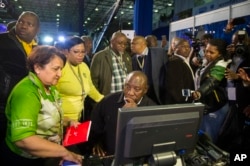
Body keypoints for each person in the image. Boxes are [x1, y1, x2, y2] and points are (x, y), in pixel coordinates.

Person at [0, 46, 82, 166]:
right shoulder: (28, 93)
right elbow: (24, 140)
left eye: (61, 69)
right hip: (23, 159)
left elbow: (44, 116)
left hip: (42, 157)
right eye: (55, 69)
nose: (60, 74)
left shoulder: (50, 88)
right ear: (38, 67)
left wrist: (68, 122)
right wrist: (64, 152)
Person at [90, 71, 156, 166]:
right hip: (109, 156)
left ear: (145, 90)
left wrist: (137, 114)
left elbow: (151, 138)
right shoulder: (108, 101)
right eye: (127, 86)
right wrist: (96, 142)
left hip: (138, 160)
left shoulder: (152, 108)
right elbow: (94, 126)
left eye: (137, 89)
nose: (130, 92)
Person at [0, 11, 40, 143]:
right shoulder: (3, 41)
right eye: (21, 21)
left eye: (29, 24)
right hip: (3, 103)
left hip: (23, 103)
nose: (23, 26)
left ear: (37, 29)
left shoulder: (37, 49)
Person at [191, 39, 231, 143]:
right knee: (202, 136)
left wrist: (199, 92)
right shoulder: (207, 62)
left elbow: (212, 82)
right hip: (206, 104)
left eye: (211, 52)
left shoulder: (222, 64)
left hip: (215, 106)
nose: (207, 54)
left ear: (220, 54)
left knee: (209, 139)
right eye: (206, 51)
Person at [56, 36, 104, 122]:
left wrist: (104, 100)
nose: (80, 55)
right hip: (60, 120)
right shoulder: (60, 67)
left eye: (83, 52)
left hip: (78, 118)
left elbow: (90, 88)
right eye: (76, 52)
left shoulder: (84, 66)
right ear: (66, 51)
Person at [90, 31, 132, 96]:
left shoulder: (126, 56)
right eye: (120, 43)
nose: (123, 46)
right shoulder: (100, 56)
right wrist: (98, 101)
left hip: (124, 97)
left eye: (125, 44)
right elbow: (93, 81)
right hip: (107, 97)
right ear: (112, 42)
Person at [131, 35, 168, 104]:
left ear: (143, 44)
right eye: (131, 43)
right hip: (142, 96)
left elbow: (168, 72)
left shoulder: (160, 53)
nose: (131, 45)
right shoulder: (133, 59)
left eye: (134, 43)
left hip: (159, 93)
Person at [165, 38, 195, 104]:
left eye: (188, 47)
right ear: (175, 48)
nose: (187, 49)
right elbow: (176, 88)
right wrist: (187, 97)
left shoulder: (182, 61)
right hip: (180, 104)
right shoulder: (175, 62)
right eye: (183, 46)